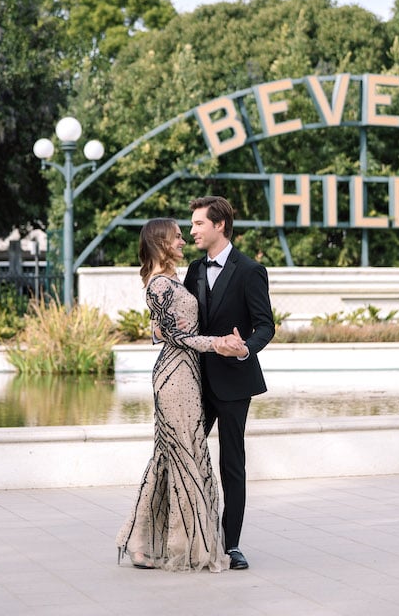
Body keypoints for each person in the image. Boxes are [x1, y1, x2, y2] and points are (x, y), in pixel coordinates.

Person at [115, 218, 231, 573]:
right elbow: (175, 336)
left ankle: (147, 543)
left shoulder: (173, 280)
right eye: (177, 236)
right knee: (180, 457)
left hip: (188, 374)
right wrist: (217, 344)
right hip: (173, 376)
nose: (183, 240)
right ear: (161, 242)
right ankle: (166, 544)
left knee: (177, 456)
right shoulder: (158, 285)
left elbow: (163, 330)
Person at [183, 195, 275, 571]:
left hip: (236, 383)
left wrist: (243, 350)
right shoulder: (193, 269)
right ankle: (186, 537)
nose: (192, 231)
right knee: (184, 455)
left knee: (231, 465)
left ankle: (231, 544)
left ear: (219, 225)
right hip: (196, 382)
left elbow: (265, 325)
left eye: (198, 224)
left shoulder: (250, 270)